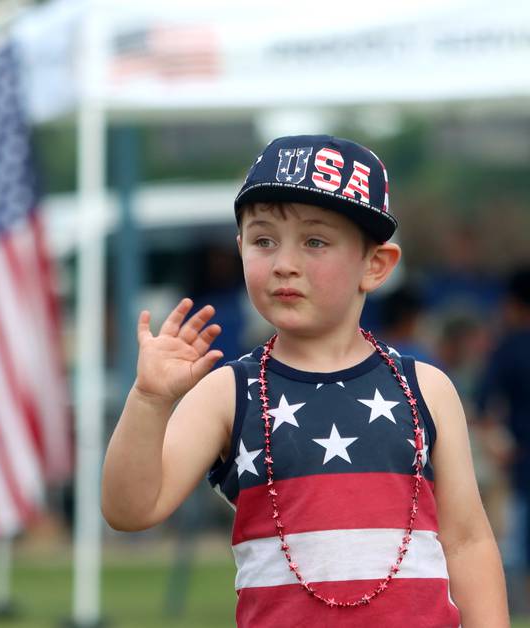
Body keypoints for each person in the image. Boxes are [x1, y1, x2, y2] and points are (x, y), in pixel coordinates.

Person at [102, 135, 508, 626]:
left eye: (315, 241)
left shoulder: (427, 388)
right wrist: (148, 400)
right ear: (240, 250)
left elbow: (467, 540)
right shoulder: (228, 392)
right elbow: (130, 509)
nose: (283, 263)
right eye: (263, 240)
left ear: (375, 265)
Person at [475, 266, 530, 607]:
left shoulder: (508, 347)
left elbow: (483, 407)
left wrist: (499, 448)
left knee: (519, 548)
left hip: (523, 462)